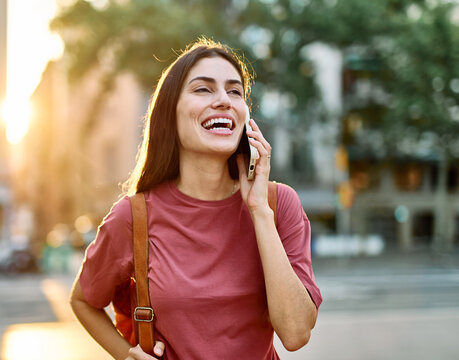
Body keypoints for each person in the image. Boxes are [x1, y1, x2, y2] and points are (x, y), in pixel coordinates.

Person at [69, 37, 322, 360]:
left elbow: (296, 333)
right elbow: (83, 300)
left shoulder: (278, 203)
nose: (224, 100)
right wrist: (124, 355)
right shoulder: (134, 216)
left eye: (235, 91)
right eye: (203, 89)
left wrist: (259, 211)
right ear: (170, 113)